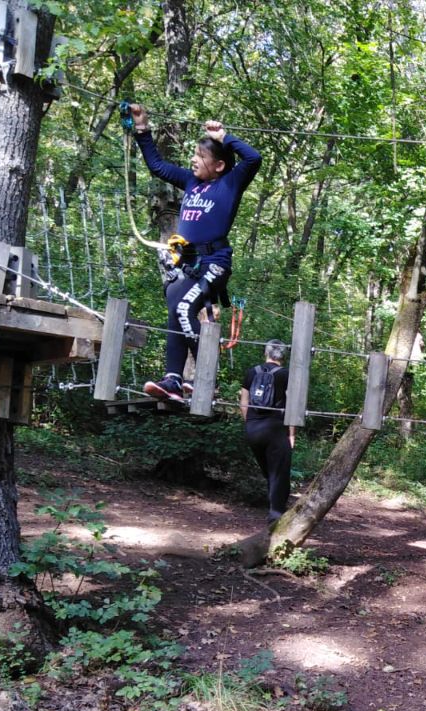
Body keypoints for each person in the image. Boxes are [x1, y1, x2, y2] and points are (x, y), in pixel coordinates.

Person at [129, 104, 262, 402]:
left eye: (201, 156)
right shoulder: (191, 182)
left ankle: (205, 381)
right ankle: (173, 379)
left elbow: (254, 158)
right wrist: (142, 128)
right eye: (194, 154)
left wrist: (224, 137)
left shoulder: (230, 183)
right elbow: (157, 166)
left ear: (219, 165)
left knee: (185, 309)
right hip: (187, 264)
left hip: (214, 263)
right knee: (174, 313)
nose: (193, 160)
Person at [240, 340, 293, 524]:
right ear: (283, 355)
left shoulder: (252, 372)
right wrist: (291, 434)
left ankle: (275, 508)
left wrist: (250, 423)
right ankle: (276, 515)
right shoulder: (286, 375)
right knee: (279, 472)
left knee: (269, 471)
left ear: (266, 353)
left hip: (253, 429)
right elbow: (292, 407)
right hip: (275, 429)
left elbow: (244, 403)